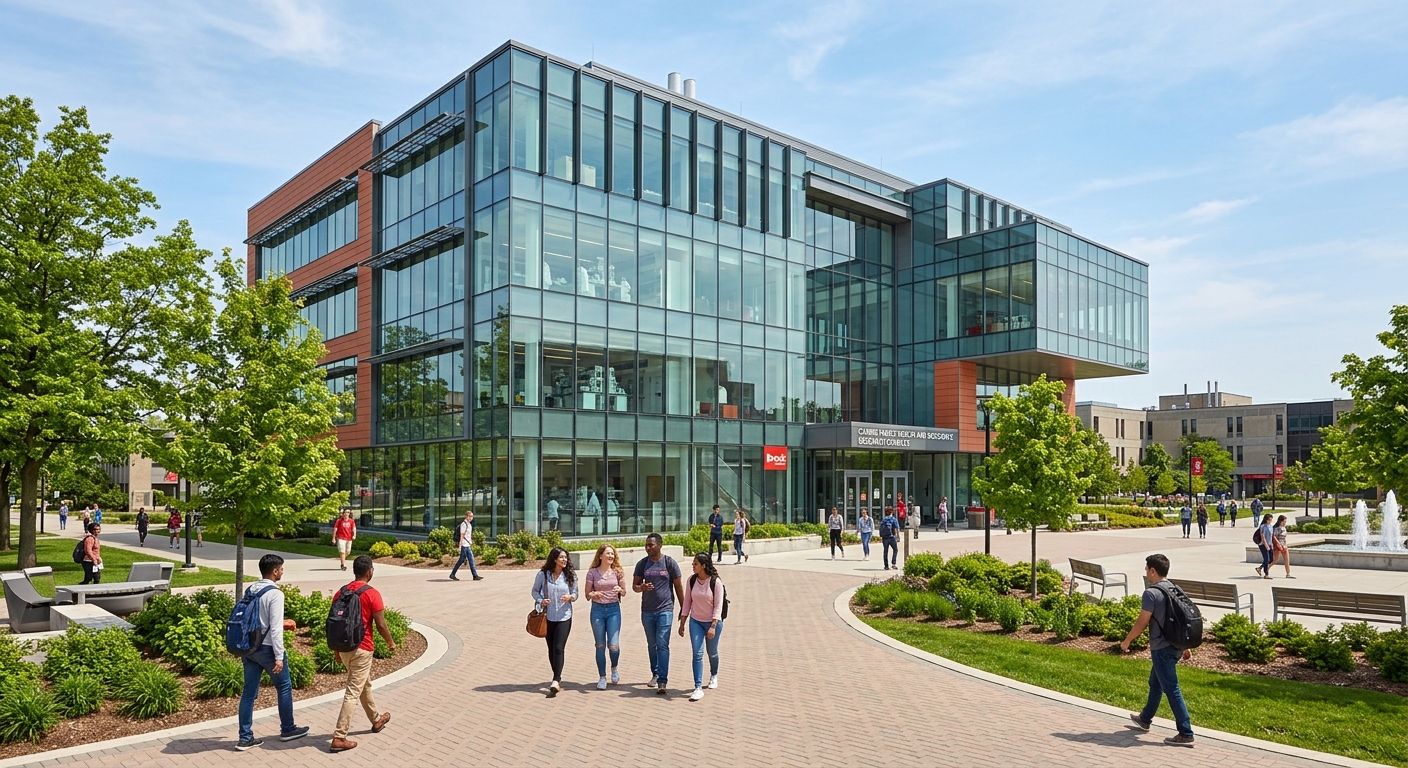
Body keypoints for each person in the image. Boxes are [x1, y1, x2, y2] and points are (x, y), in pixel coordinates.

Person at [1122, 553, 1195, 748]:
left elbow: (1142, 621)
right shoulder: (1175, 589)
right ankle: (1144, 719)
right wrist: (1185, 646)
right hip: (1176, 645)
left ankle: (1185, 733)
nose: (1145, 573)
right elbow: (1183, 619)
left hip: (1161, 648)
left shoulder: (1151, 593)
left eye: (1146, 569)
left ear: (1153, 570)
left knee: (1171, 688)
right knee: (1156, 682)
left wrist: (1127, 640)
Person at [236, 554, 308, 750]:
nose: (282, 571)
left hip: (249, 647)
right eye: (281, 568)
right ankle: (288, 729)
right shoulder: (275, 594)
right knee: (283, 686)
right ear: (275, 571)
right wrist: (278, 657)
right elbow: (275, 628)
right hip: (267, 648)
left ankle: (245, 737)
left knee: (249, 693)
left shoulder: (252, 589)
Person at [329, 555, 395, 753]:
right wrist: (390, 642)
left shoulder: (342, 592)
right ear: (370, 572)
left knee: (364, 684)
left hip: (345, 647)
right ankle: (339, 737)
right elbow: (381, 624)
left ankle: (376, 719)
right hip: (362, 648)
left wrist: (336, 650)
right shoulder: (371, 594)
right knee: (352, 692)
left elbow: (334, 622)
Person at [633, 533, 684, 694]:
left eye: (651, 545)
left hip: (665, 609)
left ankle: (663, 680)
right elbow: (635, 585)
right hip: (647, 611)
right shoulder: (642, 564)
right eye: (646, 545)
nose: (648, 548)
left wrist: (684, 609)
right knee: (652, 645)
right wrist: (641, 588)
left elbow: (678, 586)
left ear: (660, 545)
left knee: (662, 644)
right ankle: (655, 674)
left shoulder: (669, 563)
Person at [678, 553, 725, 702]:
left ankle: (714, 675)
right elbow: (687, 603)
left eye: (695, 564)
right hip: (696, 622)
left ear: (703, 566)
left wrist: (713, 626)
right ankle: (698, 687)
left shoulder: (715, 582)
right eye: (693, 564)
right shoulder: (691, 581)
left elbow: (718, 606)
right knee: (697, 654)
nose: (693, 566)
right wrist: (682, 623)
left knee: (712, 653)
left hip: (712, 623)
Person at [532, 547, 578, 695]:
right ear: (554, 559)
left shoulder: (570, 575)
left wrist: (570, 597)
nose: (564, 560)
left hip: (565, 616)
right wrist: (541, 600)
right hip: (548, 617)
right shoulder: (543, 575)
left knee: (559, 648)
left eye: (566, 557)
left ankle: (556, 679)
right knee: (551, 649)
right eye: (561, 557)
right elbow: (534, 591)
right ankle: (556, 676)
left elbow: (575, 593)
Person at [585, 544, 626, 689]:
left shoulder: (618, 571)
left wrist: (620, 590)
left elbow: (624, 592)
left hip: (614, 610)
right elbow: (587, 595)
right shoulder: (592, 573)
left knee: (613, 645)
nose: (610, 556)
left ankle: (614, 668)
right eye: (608, 553)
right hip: (597, 610)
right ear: (600, 555)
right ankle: (602, 677)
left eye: (612, 554)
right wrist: (594, 594)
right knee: (600, 645)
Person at [449, 510, 483, 581]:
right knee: (463, 560)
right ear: (466, 516)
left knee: (470, 560)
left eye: (472, 516)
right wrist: (460, 545)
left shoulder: (469, 524)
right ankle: (453, 574)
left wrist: (470, 541)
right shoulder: (464, 524)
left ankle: (474, 575)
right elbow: (462, 535)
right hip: (464, 545)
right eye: (470, 516)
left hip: (467, 545)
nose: (471, 518)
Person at [879, 507, 900, 571]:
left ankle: (886, 566)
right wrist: (898, 536)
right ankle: (893, 563)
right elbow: (896, 528)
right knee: (895, 550)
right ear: (892, 512)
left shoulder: (884, 519)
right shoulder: (893, 519)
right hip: (891, 537)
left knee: (885, 551)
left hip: (885, 538)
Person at [1255, 514, 1275, 578]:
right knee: (1266, 559)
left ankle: (1260, 568)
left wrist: (1271, 545)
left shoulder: (1271, 527)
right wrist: (1266, 545)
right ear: (1266, 520)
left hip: (1269, 544)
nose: (1270, 521)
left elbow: (1271, 536)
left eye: (1271, 520)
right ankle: (1266, 574)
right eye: (1269, 520)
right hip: (1263, 545)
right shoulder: (1262, 526)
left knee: (1271, 559)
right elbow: (1262, 537)